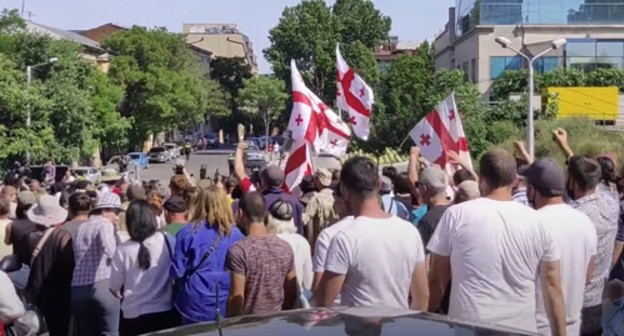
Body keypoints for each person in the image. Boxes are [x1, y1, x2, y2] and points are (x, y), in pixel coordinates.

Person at [427, 149, 566, 335]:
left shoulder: (456, 215)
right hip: (520, 327)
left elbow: (438, 279)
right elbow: (552, 284)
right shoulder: (539, 222)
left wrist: (424, 315)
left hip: (469, 326)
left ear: (482, 179)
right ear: (515, 180)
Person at [316, 157, 429, 310]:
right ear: (378, 184)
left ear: (343, 190)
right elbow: (422, 296)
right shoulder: (409, 231)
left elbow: (324, 301)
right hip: (398, 327)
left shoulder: (345, 238)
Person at [520, 158, 598, 336]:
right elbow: (589, 275)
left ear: (533, 189)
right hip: (572, 324)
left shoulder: (531, 223)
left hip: (536, 326)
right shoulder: (585, 221)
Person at [171, 186, 244, 324]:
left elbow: (177, 271)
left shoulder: (187, 232)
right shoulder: (236, 235)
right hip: (225, 298)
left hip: (194, 300)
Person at [565, 155, 618, 336]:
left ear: (573, 181)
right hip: (598, 299)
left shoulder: (575, 216)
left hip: (575, 304)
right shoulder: (612, 204)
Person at [110, 200, 179, 336]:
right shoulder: (166, 239)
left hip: (133, 313)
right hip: (164, 310)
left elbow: (114, 286)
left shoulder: (122, 250)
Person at [226, 192, 297, 317]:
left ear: (241, 213)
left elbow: (236, 298)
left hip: (248, 325)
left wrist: (232, 327)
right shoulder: (285, 247)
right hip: (276, 322)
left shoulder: (239, 250)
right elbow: (291, 290)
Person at [71, 192, 123, 336]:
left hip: (78, 288)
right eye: (116, 212)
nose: (117, 216)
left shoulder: (81, 227)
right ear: (105, 210)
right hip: (102, 283)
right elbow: (110, 249)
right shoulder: (104, 224)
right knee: (110, 332)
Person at [23, 195, 74, 336]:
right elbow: (68, 264)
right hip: (61, 291)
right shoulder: (63, 236)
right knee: (62, 329)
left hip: (39, 290)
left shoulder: (29, 237)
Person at [312, 182, 354, 294]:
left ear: (341, 201)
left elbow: (318, 283)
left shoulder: (327, 235)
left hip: (336, 307)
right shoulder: (383, 229)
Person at [267, 200, 313, 293]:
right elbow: (308, 281)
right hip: (296, 299)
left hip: (271, 300)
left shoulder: (267, 242)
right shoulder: (302, 241)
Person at [259, 166, 304, 234]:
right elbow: (300, 228)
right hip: (293, 242)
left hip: (269, 243)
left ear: (263, 182)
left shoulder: (260, 201)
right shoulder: (295, 201)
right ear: (282, 183)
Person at [302, 168, 338, 247]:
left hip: (320, 241)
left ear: (318, 181)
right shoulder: (338, 197)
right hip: (336, 241)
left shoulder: (316, 199)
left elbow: (304, 219)